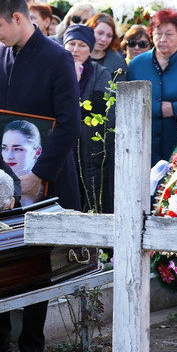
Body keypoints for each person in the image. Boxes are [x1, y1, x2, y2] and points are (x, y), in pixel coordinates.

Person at [0, 0, 81, 352]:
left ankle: (31, 348)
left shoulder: (58, 58)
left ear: (18, 18)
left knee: (35, 263)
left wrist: (39, 175)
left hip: (42, 180)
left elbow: (70, 124)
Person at [127, 8, 177, 165]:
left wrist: (174, 108)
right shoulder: (137, 64)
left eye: (169, 34)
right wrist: (156, 108)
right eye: (158, 33)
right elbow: (128, 102)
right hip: (144, 144)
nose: (162, 38)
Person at [63, 24, 114, 214]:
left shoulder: (100, 73)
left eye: (82, 45)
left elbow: (100, 115)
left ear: (90, 49)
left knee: (93, 202)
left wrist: (75, 85)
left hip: (90, 152)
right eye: (72, 44)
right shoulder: (56, 71)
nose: (76, 49)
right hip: (64, 149)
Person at [86, 13, 127, 78]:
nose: (104, 39)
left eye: (109, 36)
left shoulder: (118, 61)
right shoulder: (75, 55)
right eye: (100, 33)